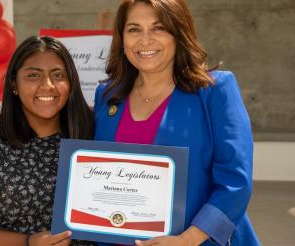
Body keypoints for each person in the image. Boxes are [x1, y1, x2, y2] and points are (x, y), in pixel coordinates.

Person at [94, 0, 260, 245]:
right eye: (134, 29)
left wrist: (187, 239)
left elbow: (235, 182)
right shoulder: (107, 95)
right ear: (122, 38)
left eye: (158, 28)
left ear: (179, 33)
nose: (145, 39)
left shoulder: (215, 90)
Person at [0, 36, 95, 246]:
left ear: (70, 83)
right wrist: (27, 242)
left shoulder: (93, 136)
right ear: (14, 84)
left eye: (58, 75)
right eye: (33, 75)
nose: (47, 85)